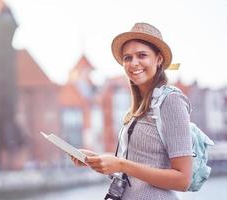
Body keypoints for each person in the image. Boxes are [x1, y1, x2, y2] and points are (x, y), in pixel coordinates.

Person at [71, 22, 193, 200]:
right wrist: (98, 160)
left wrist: (121, 164)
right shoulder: (140, 106)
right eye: (127, 58)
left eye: (142, 55)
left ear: (158, 59)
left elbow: (183, 180)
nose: (133, 63)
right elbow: (137, 170)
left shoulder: (171, 101)